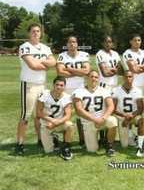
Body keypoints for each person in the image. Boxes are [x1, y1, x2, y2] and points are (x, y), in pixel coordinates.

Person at [16, 23, 56, 154]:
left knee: (40, 115)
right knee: (25, 115)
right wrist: (45, 64)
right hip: (29, 85)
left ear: (41, 33)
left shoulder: (45, 47)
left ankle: (41, 139)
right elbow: (32, 65)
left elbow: (53, 62)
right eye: (33, 31)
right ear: (29, 33)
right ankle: (20, 144)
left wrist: (41, 63)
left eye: (38, 31)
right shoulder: (24, 47)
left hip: (42, 85)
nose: (35, 33)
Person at [73, 70, 118, 156]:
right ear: (87, 78)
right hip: (88, 122)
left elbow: (111, 106)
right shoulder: (79, 91)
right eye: (91, 76)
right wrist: (94, 120)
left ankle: (109, 146)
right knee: (92, 150)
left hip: (102, 119)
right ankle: (97, 140)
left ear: (98, 79)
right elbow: (79, 110)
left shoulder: (104, 90)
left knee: (113, 121)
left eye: (96, 77)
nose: (94, 79)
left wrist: (103, 118)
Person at [56, 36, 90, 146]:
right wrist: (78, 72)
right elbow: (60, 72)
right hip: (65, 89)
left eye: (74, 42)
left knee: (82, 114)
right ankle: (66, 140)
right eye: (70, 42)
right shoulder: (62, 56)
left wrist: (69, 69)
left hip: (80, 89)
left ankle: (83, 139)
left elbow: (86, 71)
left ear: (77, 44)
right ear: (66, 44)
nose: (72, 44)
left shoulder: (84, 55)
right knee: (64, 114)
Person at [121, 34, 144, 146]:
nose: (137, 42)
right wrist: (143, 66)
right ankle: (129, 134)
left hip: (142, 85)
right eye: (135, 40)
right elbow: (134, 69)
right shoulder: (127, 53)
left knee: (141, 110)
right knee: (130, 110)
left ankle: (139, 134)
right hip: (131, 85)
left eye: (139, 40)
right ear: (130, 41)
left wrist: (140, 67)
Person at [36, 76, 74, 160]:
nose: (59, 87)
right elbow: (38, 112)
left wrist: (57, 122)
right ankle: (54, 138)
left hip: (60, 122)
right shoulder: (45, 94)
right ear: (53, 85)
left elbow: (68, 115)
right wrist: (51, 120)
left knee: (70, 125)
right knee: (48, 151)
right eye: (57, 84)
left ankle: (66, 147)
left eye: (61, 85)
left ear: (64, 86)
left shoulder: (67, 97)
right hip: (46, 123)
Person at [112, 71, 144, 157]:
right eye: (126, 77)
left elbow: (141, 109)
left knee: (140, 120)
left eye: (130, 77)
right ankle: (132, 135)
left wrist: (130, 117)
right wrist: (124, 116)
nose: (128, 79)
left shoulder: (137, 90)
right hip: (121, 117)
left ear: (133, 78)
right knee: (124, 145)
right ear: (123, 78)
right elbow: (113, 109)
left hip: (133, 115)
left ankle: (140, 147)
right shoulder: (116, 90)